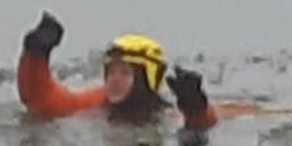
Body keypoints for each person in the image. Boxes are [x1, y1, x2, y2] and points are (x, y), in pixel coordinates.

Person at [16, 11, 217, 131]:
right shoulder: (98, 104)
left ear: (146, 78)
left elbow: (211, 124)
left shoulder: (164, 115)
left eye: (125, 73)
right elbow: (44, 102)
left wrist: (196, 107)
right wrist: (36, 54)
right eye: (110, 72)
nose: (114, 80)